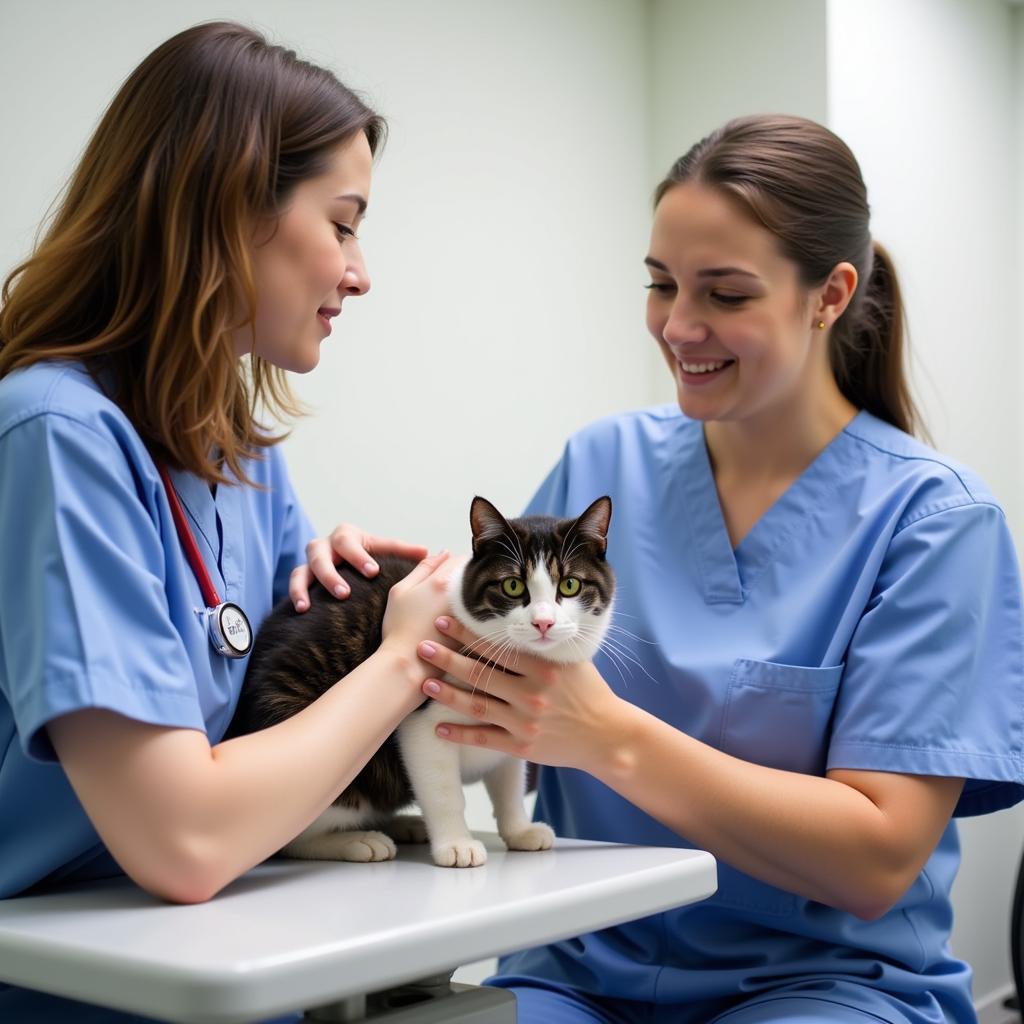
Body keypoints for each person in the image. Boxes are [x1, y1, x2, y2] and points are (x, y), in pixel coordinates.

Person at [416, 114, 1024, 1023]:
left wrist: (609, 737)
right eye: (662, 284)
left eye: (726, 294)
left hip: (823, 986)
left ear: (829, 295)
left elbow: (877, 858)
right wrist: (351, 581)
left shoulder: (934, 523)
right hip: (576, 971)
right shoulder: (601, 463)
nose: (679, 325)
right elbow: (476, 658)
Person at [0, 21, 453, 1022]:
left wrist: (338, 614)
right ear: (228, 207)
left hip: (231, 969)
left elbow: (260, 721)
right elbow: (184, 840)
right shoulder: (54, 434)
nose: (359, 270)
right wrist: (398, 663)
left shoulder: (239, 454)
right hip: (69, 990)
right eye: (341, 224)